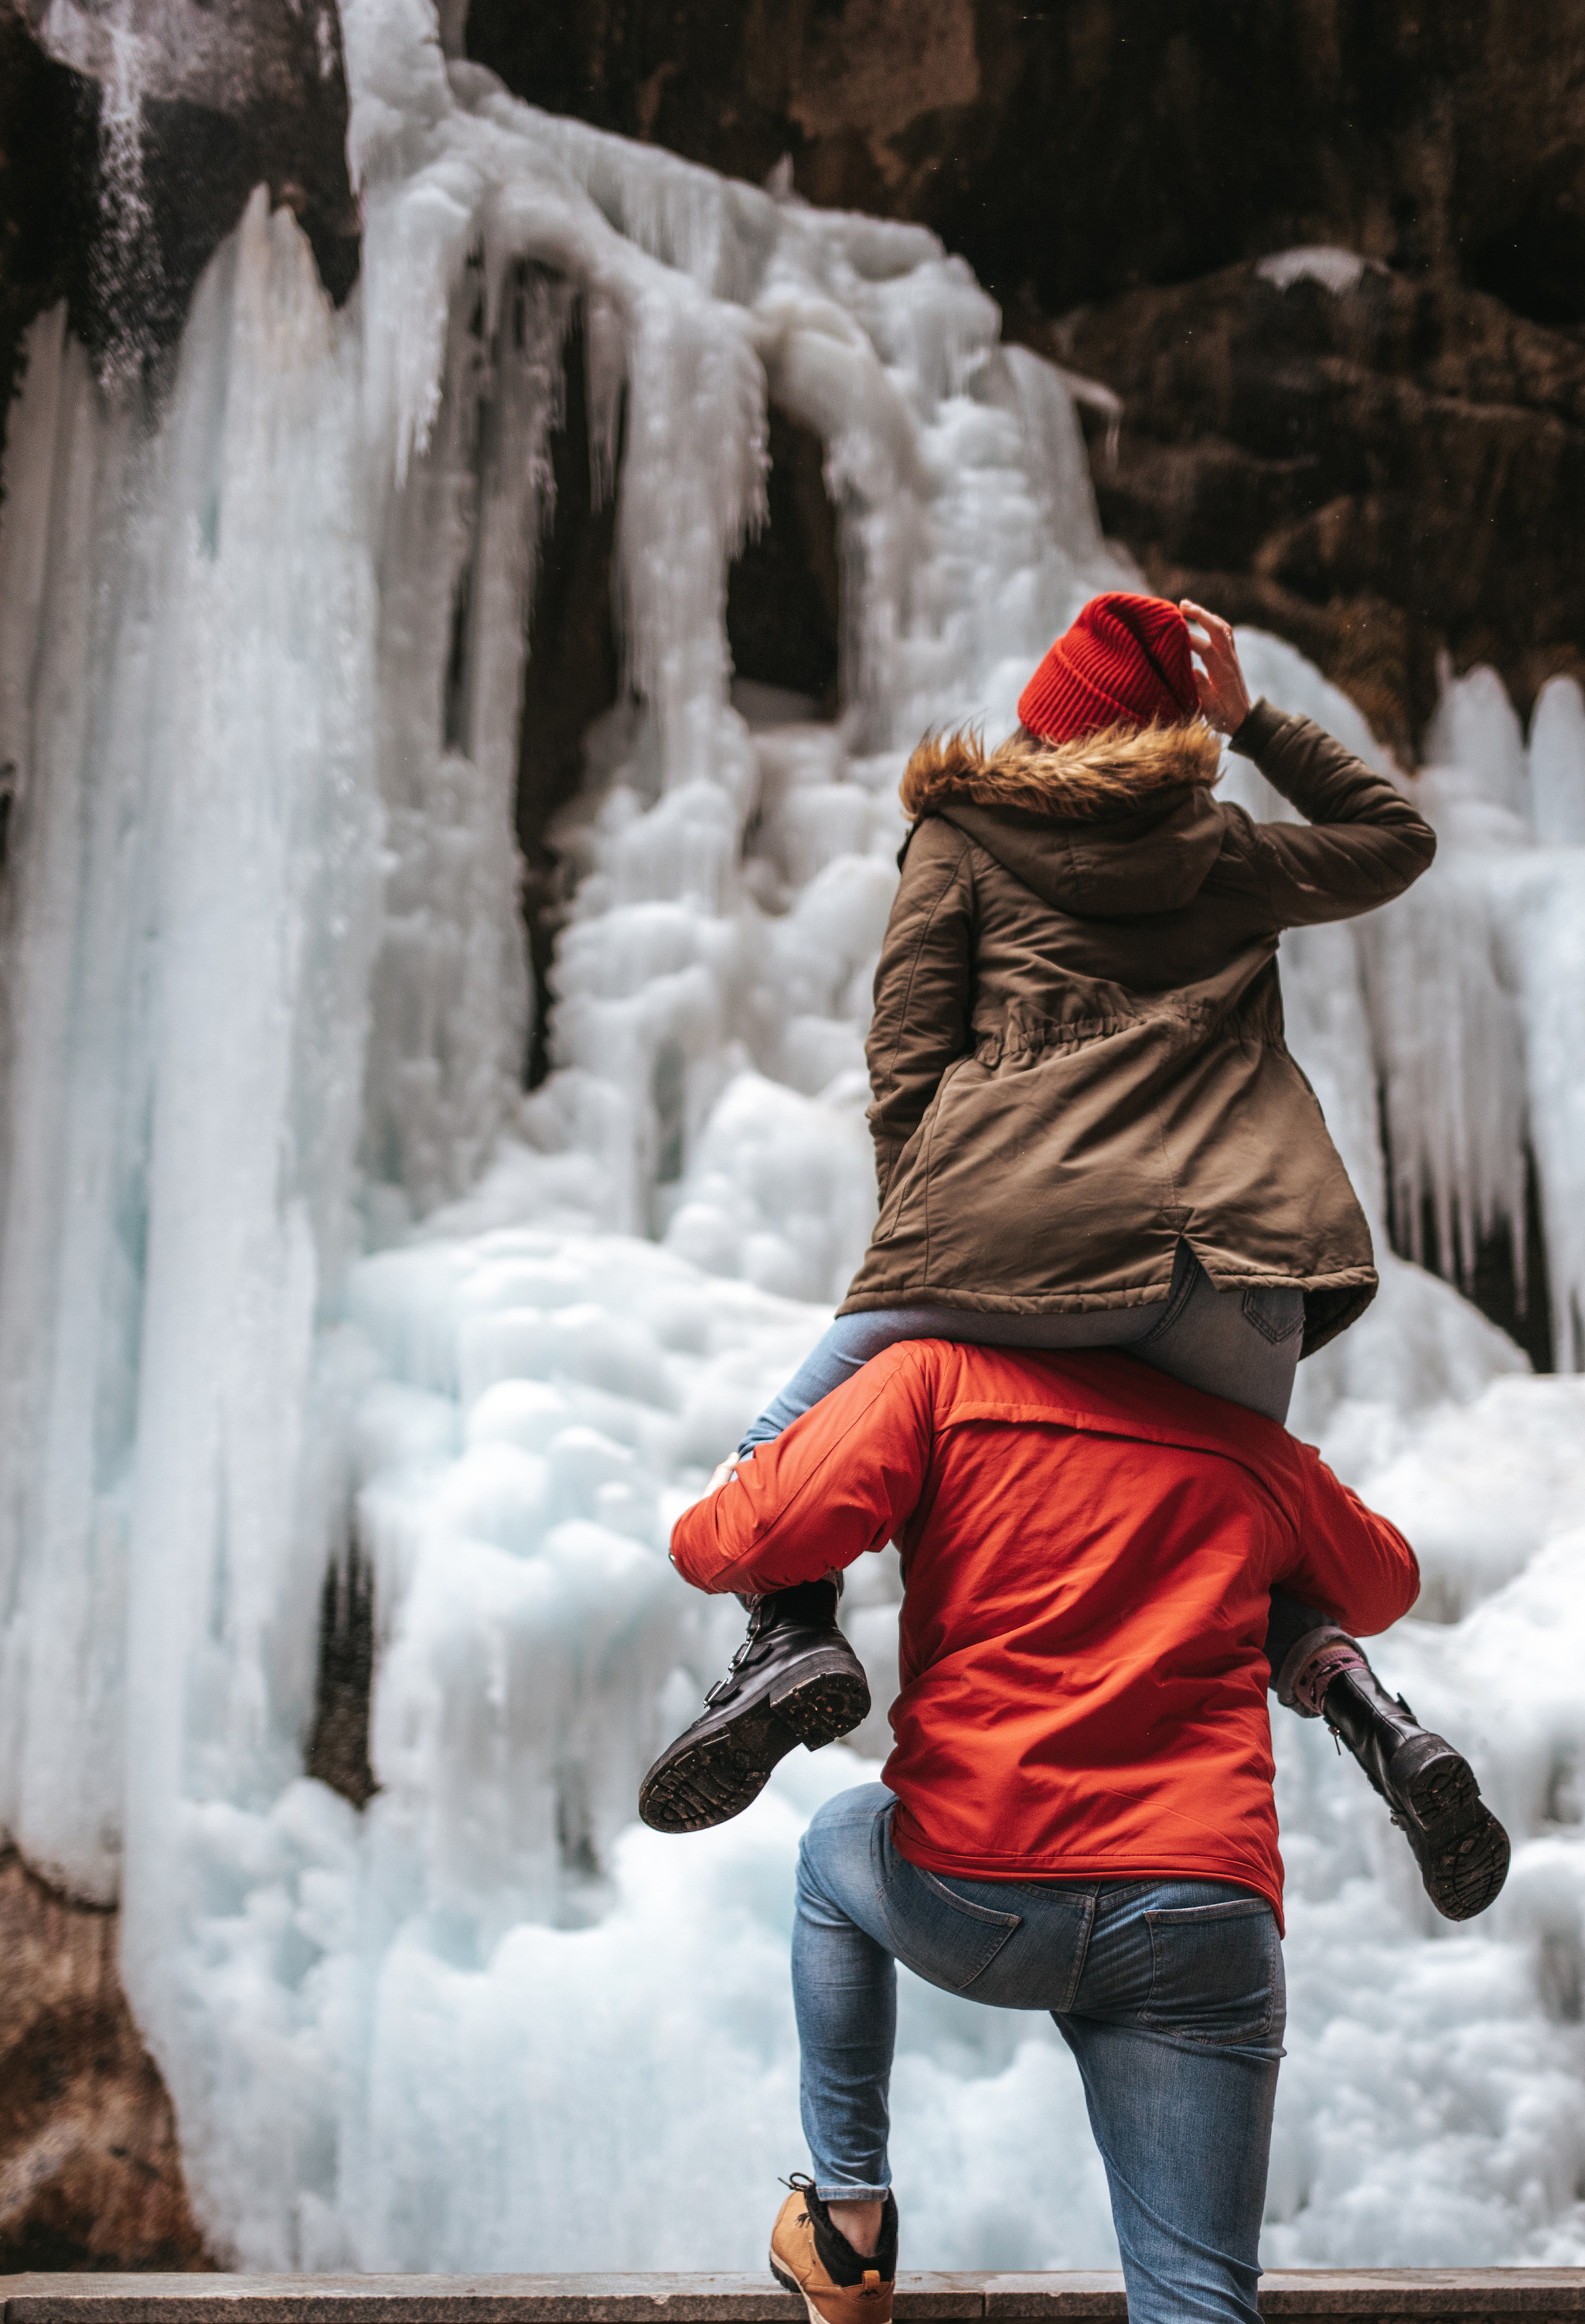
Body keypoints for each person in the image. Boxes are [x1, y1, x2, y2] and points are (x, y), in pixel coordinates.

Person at [666, 1329, 1420, 2324]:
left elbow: (719, 1535)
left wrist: (819, 1513)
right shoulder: (1240, 1443)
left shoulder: (938, 1378)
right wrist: (1270, 1545)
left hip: (978, 1884)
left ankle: (847, 2227)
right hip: (1197, 1917)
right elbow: (1386, 1570)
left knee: (825, 1847)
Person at [641, 592, 1508, 1920]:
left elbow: (907, 1061)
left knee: (776, 1461)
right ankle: (1370, 1709)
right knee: (1223, 1521)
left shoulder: (963, 830)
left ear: (1045, 724)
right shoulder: (1225, 850)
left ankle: (792, 1642)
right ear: (1175, 736)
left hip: (1017, 1249)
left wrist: (931, 1257)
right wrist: (1256, 717)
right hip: (1237, 1281)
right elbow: (1396, 839)